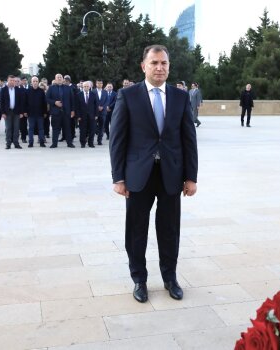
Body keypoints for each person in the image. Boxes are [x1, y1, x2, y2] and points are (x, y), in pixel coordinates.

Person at [109, 44, 198, 303]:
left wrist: (191, 177)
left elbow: (188, 140)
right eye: (154, 63)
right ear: (144, 66)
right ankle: (139, 279)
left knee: (170, 229)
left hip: (171, 174)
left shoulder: (180, 97)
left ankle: (170, 278)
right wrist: (118, 178)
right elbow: (118, 139)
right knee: (136, 230)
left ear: (169, 67)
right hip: (138, 175)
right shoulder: (128, 95)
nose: (160, 68)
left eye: (164, 64)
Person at [46, 73, 75, 148]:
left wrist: (72, 110)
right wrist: (54, 102)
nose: (59, 78)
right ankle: (54, 143)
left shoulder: (68, 88)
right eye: (58, 77)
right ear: (55, 79)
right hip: (56, 112)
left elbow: (72, 100)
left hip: (66, 112)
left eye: (60, 77)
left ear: (63, 79)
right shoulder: (51, 88)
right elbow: (47, 99)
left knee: (67, 128)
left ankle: (69, 143)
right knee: (55, 128)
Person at [1, 75, 25, 149]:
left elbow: (21, 102)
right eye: (10, 80)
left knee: (16, 128)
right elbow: (2, 102)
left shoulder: (18, 89)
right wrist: (3, 113)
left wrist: (21, 112)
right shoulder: (4, 89)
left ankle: (16, 143)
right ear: (7, 80)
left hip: (16, 112)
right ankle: (8, 143)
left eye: (13, 80)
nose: (12, 82)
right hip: (7, 112)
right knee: (8, 128)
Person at [25, 76, 47, 147]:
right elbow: (25, 102)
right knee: (31, 129)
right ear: (31, 82)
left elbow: (44, 103)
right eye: (33, 81)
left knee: (41, 129)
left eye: (36, 81)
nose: (35, 82)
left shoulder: (41, 91)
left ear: (38, 82)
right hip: (31, 114)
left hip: (40, 114)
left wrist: (45, 112)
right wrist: (25, 111)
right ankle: (30, 143)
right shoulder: (27, 91)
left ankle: (41, 142)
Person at [75, 80, 98, 148]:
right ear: (82, 87)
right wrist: (78, 116)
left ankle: (90, 143)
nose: (86, 87)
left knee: (92, 130)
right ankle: (83, 143)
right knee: (82, 130)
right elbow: (77, 106)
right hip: (82, 116)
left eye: (87, 86)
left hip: (92, 116)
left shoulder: (93, 94)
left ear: (90, 87)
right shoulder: (79, 95)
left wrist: (96, 115)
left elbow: (96, 105)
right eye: (84, 86)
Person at [93, 79, 107, 145]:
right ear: (96, 84)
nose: (99, 84)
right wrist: (97, 107)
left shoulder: (105, 92)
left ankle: (99, 140)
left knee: (102, 127)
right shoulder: (93, 92)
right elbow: (91, 102)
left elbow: (107, 101)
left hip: (103, 112)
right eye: (98, 83)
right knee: (93, 126)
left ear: (102, 84)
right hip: (95, 112)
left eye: (101, 83)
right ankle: (91, 140)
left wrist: (103, 107)